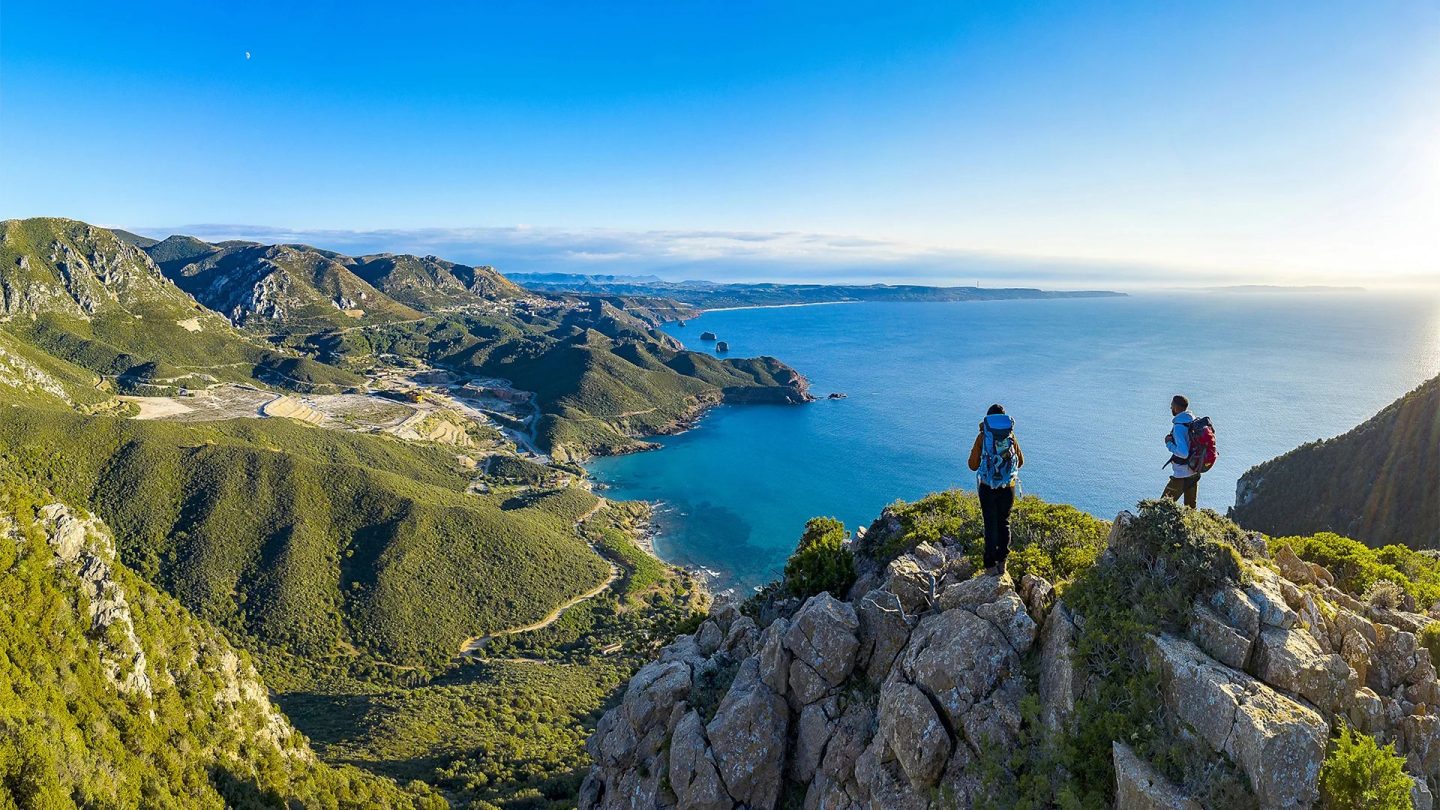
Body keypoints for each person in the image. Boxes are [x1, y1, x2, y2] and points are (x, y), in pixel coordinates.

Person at [968, 404, 1024, 576]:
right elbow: (1020, 462)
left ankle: (990, 565)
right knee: (1004, 523)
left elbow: (972, 465)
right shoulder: (1010, 436)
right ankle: (1002, 562)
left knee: (990, 524)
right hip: (1008, 487)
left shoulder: (983, 436)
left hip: (987, 486)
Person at [1162, 394, 1199, 507]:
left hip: (1181, 475)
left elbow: (1183, 453)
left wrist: (1169, 444)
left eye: (1172, 405)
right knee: (1190, 508)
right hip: (1194, 471)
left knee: (1161, 506)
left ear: (1177, 408)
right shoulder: (1192, 420)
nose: (1170, 408)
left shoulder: (1179, 427)